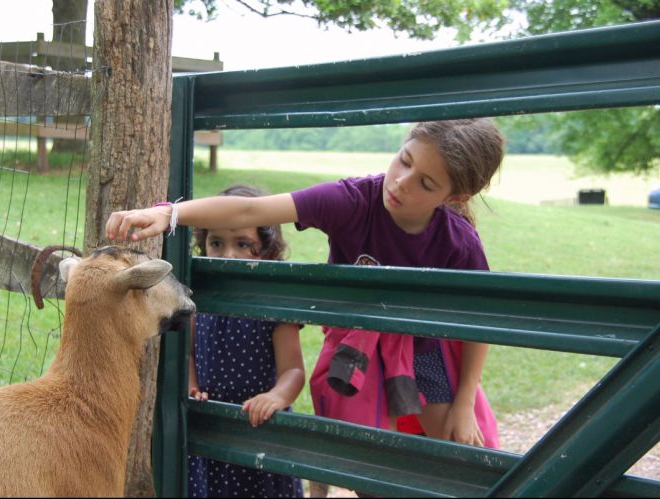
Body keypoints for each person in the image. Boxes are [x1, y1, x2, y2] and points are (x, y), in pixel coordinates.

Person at [106, 118, 502, 450]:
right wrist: (171, 213)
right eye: (404, 161)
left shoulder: (458, 241)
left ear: (455, 196)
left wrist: (465, 400)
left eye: (426, 184)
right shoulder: (353, 201)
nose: (401, 182)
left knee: (453, 444)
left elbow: (479, 320)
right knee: (360, 454)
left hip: (421, 345)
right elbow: (251, 208)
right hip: (353, 343)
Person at [184, 184, 306, 498]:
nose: (228, 255)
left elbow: (293, 370)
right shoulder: (201, 296)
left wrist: (276, 397)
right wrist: (192, 386)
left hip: (260, 430)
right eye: (216, 242)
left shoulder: (274, 301)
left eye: (243, 243)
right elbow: (189, 355)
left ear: (267, 249)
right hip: (214, 428)